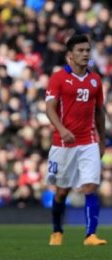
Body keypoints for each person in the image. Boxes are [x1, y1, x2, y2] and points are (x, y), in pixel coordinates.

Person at [45, 34, 107, 246]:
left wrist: (101, 140)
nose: (85, 54)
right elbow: (49, 108)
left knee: (90, 186)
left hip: (88, 140)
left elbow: (99, 112)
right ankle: (57, 231)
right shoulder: (58, 78)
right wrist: (61, 130)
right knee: (62, 191)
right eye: (80, 51)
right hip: (63, 143)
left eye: (87, 50)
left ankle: (90, 235)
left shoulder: (95, 80)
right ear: (69, 55)